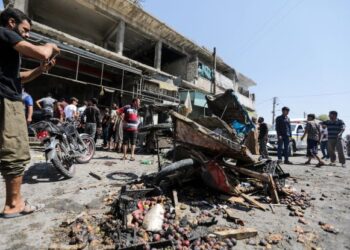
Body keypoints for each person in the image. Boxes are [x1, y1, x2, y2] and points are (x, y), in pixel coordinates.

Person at [0, 7, 60, 218]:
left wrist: (41, 70)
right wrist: (51, 46)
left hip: (7, 95)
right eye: (25, 30)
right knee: (15, 151)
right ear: (11, 23)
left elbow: (19, 78)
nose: (26, 35)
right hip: (8, 101)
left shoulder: (7, 50)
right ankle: (14, 204)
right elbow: (43, 52)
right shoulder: (4, 33)